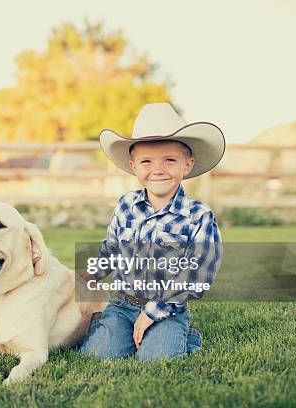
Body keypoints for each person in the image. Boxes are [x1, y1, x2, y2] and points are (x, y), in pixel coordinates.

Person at [79, 103, 224, 361]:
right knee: (97, 355)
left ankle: (184, 336)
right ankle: (112, 328)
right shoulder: (126, 205)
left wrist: (152, 312)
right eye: (147, 161)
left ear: (187, 165)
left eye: (169, 160)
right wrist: (88, 275)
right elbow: (112, 250)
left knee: (156, 359)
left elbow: (195, 276)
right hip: (123, 306)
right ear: (134, 166)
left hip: (167, 309)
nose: (158, 169)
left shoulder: (199, 216)